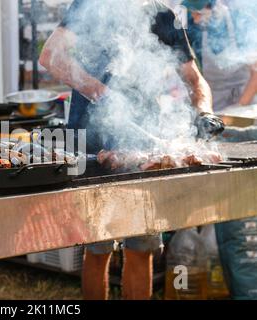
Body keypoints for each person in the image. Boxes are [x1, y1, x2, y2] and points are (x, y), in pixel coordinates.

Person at [40, 0, 224, 300]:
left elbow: (194, 79)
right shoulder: (89, 6)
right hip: (95, 145)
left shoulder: (166, 17)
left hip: (144, 147)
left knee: (142, 249)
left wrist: (205, 112)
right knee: (98, 248)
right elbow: (51, 56)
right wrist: (103, 94)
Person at [183, 0, 257, 299]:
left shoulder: (233, 21)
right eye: (192, 13)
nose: (195, 17)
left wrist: (237, 109)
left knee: (239, 209)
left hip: (241, 119)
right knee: (223, 207)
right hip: (215, 120)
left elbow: (256, 70)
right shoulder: (194, 27)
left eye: (198, 12)